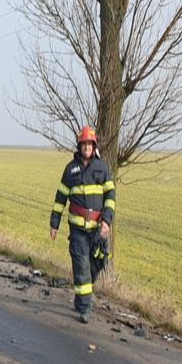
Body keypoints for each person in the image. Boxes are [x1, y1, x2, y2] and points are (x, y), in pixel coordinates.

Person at [50, 126, 115, 323]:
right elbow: (60, 197)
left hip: (97, 230)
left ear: (93, 146)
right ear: (79, 146)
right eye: (84, 144)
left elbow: (110, 196)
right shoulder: (71, 169)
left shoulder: (102, 168)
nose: (86, 147)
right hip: (77, 230)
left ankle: (81, 298)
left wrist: (107, 221)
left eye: (89, 144)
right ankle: (85, 309)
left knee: (95, 265)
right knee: (81, 267)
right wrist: (54, 223)